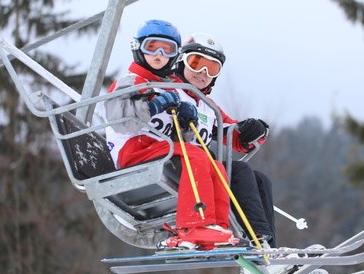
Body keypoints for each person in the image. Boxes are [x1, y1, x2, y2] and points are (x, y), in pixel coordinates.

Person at [104, 20, 238, 249]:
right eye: (152, 47)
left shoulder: (168, 87)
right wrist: (154, 106)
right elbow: (121, 122)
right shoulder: (131, 82)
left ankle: (216, 227)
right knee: (195, 155)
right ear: (138, 49)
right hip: (132, 149)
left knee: (214, 164)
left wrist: (186, 122)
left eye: (167, 51)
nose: (158, 55)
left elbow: (179, 139)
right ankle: (194, 225)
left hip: (156, 149)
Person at [172, 32, 276, 248]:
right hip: (177, 162)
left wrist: (254, 131)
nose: (202, 73)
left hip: (202, 167)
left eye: (211, 69)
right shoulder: (167, 91)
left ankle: (269, 249)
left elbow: (231, 132)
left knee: (260, 180)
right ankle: (259, 243)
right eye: (196, 63)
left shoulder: (208, 107)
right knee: (239, 171)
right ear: (182, 62)